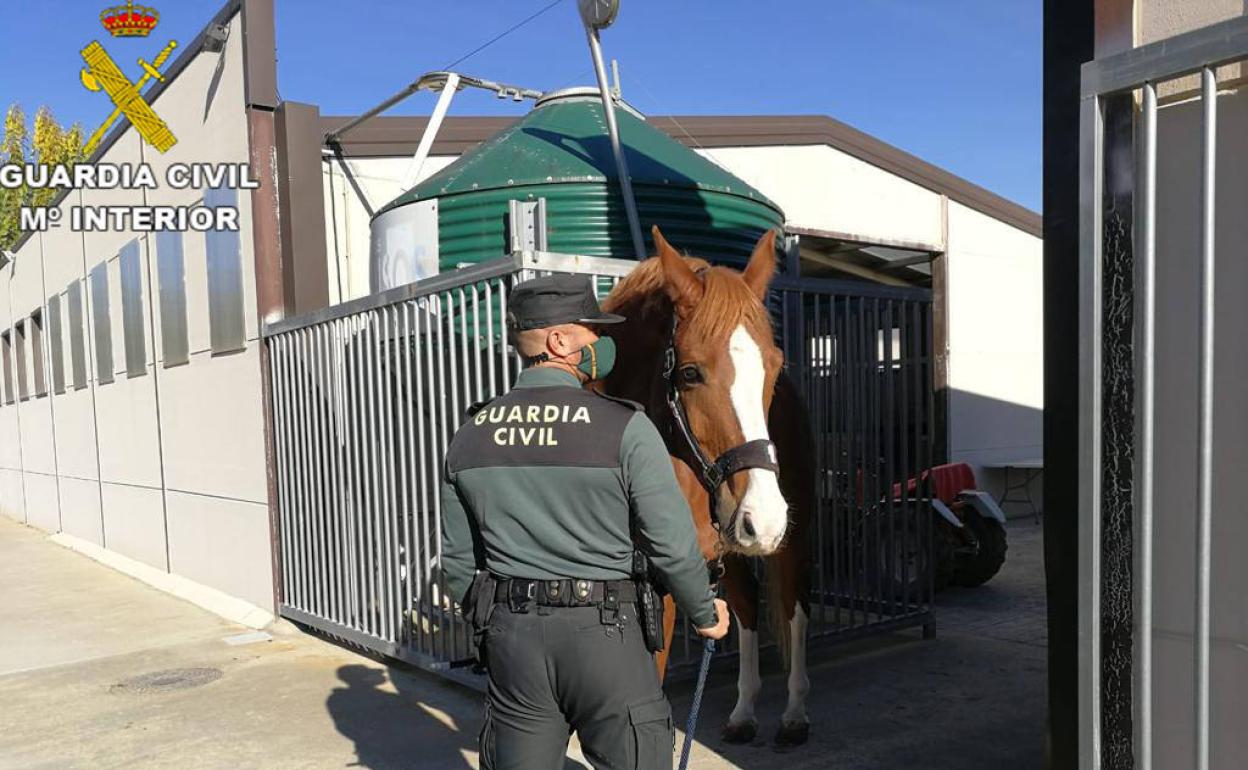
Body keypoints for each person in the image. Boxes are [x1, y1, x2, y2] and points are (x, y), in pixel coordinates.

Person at [440, 273, 731, 770]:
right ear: (559, 341)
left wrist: (504, 622)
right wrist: (704, 613)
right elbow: (673, 546)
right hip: (606, 636)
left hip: (514, 640)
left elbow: (457, 569)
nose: (602, 342)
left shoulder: (471, 434)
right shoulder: (625, 427)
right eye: (593, 331)